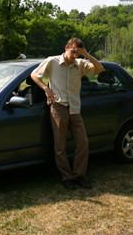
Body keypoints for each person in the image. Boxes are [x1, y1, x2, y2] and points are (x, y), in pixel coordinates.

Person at [31, 37, 104, 190]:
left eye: (78, 53)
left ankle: (79, 176)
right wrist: (46, 89)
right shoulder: (52, 61)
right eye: (73, 52)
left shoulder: (80, 64)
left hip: (75, 109)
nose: (75, 56)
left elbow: (99, 69)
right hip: (58, 108)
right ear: (66, 47)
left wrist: (86, 55)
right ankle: (67, 178)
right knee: (60, 146)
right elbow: (34, 75)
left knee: (83, 144)